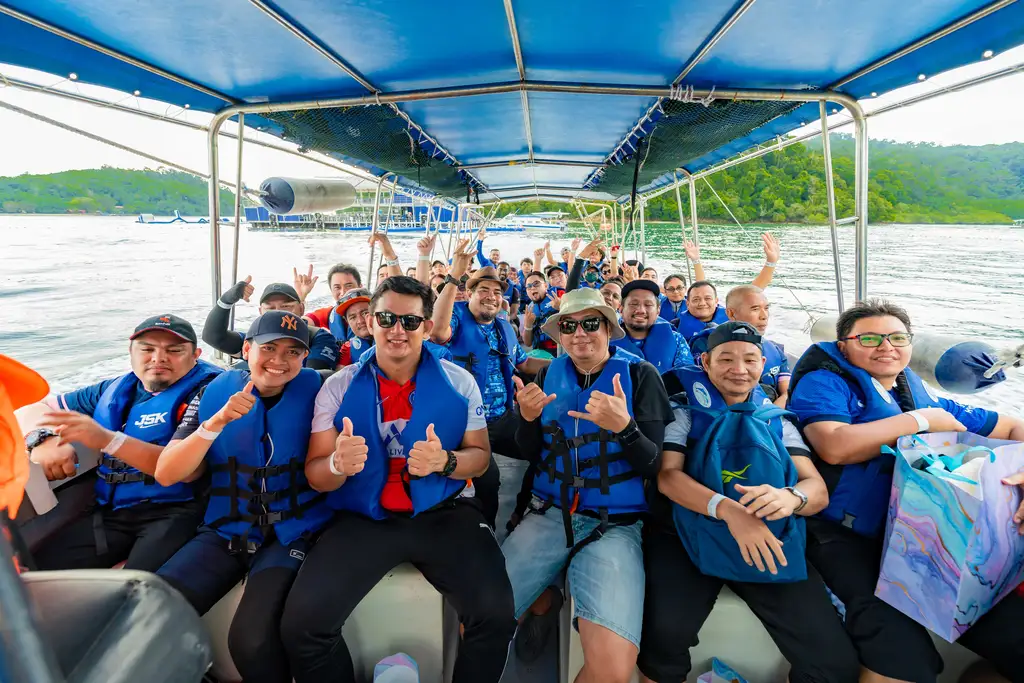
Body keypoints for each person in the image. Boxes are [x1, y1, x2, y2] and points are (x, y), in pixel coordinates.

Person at [280, 276, 515, 683]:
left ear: (427, 326)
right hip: (364, 520)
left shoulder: (460, 383)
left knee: (495, 617)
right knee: (302, 629)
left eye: (410, 321)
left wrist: (445, 461)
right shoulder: (337, 387)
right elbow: (318, 478)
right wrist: (337, 465)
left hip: (444, 513)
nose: (397, 330)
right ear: (371, 321)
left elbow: (479, 459)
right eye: (387, 318)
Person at [787, 299, 1024, 683]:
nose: (886, 346)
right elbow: (834, 446)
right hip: (842, 536)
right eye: (869, 338)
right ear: (843, 346)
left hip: (921, 533)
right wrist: (920, 421)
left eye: (897, 338)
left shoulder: (913, 391)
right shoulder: (824, 383)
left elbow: (1013, 428)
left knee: (1016, 639)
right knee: (903, 658)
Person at [639, 322, 859, 683]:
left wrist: (789, 498)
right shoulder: (684, 410)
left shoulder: (777, 422)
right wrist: (731, 512)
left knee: (832, 663)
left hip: (765, 540)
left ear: (762, 364)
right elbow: (668, 477)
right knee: (662, 638)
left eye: (750, 360)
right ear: (705, 362)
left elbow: (816, 491)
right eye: (726, 359)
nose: (739, 369)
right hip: (687, 536)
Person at [502, 287, 672, 683]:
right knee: (477, 622)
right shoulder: (547, 375)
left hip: (614, 525)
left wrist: (625, 428)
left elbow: (653, 464)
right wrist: (526, 419)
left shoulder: (640, 376)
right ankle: (544, 602)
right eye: (568, 326)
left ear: (609, 329)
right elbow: (532, 451)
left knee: (612, 671)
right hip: (548, 513)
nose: (580, 333)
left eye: (591, 323)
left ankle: (547, 596)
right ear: (559, 334)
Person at [154, 310, 333, 683]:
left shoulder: (321, 389)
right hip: (227, 529)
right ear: (247, 349)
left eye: (293, 352)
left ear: (305, 357)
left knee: (251, 641)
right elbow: (167, 472)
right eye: (269, 348)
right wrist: (215, 423)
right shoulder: (211, 394)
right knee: (156, 609)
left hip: (292, 532)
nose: (279, 360)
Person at [21, 315, 220, 571]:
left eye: (174, 350)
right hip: (112, 511)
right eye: (147, 349)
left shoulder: (210, 391)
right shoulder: (114, 389)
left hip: (180, 510)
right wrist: (42, 438)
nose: (158, 358)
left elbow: (188, 471)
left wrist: (108, 440)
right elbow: (34, 408)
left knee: (138, 584)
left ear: (195, 355)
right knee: (33, 570)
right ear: (131, 353)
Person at [430, 241, 550, 527]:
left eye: (497, 292)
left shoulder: (504, 327)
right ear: (470, 293)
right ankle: (486, 529)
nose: (491, 297)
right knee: (489, 478)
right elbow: (437, 332)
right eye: (483, 290)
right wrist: (453, 276)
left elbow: (524, 364)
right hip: (465, 423)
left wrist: (565, 362)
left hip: (502, 417)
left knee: (544, 451)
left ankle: (521, 509)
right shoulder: (456, 318)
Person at [204, 279, 339, 370]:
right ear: (261, 312)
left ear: (301, 309)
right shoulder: (255, 339)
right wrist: (226, 301)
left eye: (286, 306)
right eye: (270, 308)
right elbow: (214, 337)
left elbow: (314, 377)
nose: (278, 313)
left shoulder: (318, 337)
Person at [725, 285, 790, 406]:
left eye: (766, 308)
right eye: (755, 309)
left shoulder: (776, 351)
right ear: (731, 313)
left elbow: (786, 393)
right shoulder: (712, 348)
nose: (764, 316)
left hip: (771, 411)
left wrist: (770, 414)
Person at [612, 280, 693, 373]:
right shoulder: (606, 340)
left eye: (648, 305)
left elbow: (686, 374)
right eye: (634, 304)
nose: (641, 310)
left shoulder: (676, 339)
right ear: (621, 309)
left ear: (658, 311)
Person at [302, 263, 362, 338]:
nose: (343, 292)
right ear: (331, 291)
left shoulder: (372, 313)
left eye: (349, 286)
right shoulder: (326, 315)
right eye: (337, 287)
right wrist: (301, 296)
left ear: (360, 287)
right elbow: (297, 325)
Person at [334, 288, 374, 366]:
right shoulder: (348, 349)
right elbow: (340, 372)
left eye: (365, 313)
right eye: (353, 317)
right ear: (347, 321)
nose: (360, 321)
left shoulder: (395, 335)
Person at [522, 271, 558, 356]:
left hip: (560, 349)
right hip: (540, 351)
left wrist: (562, 309)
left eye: (536, 284)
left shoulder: (557, 298)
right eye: (529, 286)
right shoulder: (530, 309)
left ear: (545, 285)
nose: (532, 288)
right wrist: (528, 326)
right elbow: (527, 343)